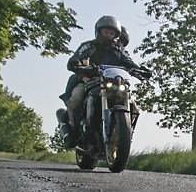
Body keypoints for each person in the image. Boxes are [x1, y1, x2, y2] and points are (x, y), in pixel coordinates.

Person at [57, 17, 140, 148]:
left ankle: (125, 133)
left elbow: (129, 62)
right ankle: (74, 131)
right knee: (75, 100)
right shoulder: (89, 46)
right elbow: (74, 60)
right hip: (89, 82)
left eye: (111, 33)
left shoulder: (119, 50)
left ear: (115, 35)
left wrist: (140, 70)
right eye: (106, 32)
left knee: (134, 107)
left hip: (115, 83)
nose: (108, 36)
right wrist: (78, 65)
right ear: (99, 31)